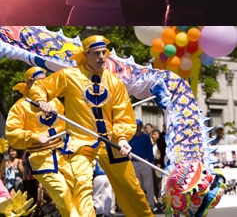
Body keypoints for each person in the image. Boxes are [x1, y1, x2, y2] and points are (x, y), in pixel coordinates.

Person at [28, 35, 155, 217]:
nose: (102, 57)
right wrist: (41, 100)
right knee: (82, 187)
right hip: (81, 143)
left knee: (132, 189)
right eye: (96, 53)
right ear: (86, 54)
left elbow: (123, 115)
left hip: (112, 143)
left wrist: (122, 139)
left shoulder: (114, 82)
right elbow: (41, 87)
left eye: (104, 53)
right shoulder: (69, 76)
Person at [5, 66, 74, 217]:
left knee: (77, 190)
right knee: (61, 192)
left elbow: (66, 124)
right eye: (39, 82)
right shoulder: (20, 107)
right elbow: (12, 133)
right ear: (29, 84)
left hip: (62, 154)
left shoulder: (55, 102)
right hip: (40, 158)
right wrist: (35, 137)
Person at [129, 119, 155, 211]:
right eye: (136, 125)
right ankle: (140, 206)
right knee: (137, 185)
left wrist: (150, 162)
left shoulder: (145, 137)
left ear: (141, 126)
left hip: (144, 162)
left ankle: (151, 205)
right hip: (134, 163)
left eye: (139, 125)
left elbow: (149, 149)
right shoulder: (131, 137)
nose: (137, 127)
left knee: (148, 185)